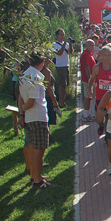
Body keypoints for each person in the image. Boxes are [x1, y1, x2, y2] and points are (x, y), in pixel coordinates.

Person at [19, 54, 54, 188]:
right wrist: (24, 107)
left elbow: (21, 97)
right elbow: (32, 101)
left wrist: (22, 111)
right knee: (40, 150)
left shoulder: (24, 75)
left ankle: (35, 175)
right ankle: (38, 181)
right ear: (42, 62)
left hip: (29, 117)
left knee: (33, 147)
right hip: (38, 116)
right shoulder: (37, 77)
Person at [87, 46, 111, 139]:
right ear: (101, 56)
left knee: (110, 118)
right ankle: (101, 125)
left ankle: (108, 135)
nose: (107, 57)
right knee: (99, 118)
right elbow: (92, 79)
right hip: (100, 97)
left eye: (109, 55)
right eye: (105, 55)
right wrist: (90, 89)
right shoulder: (97, 67)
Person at [52, 28, 71, 108]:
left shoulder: (66, 44)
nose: (62, 36)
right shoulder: (54, 45)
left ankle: (63, 101)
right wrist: (65, 44)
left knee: (65, 84)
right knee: (62, 84)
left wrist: (70, 44)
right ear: (57, 36)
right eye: (61, 35)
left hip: (66, 65)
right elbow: (59, 53)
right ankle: (61, 102)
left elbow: (70, 52)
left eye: (63, 34)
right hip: (60, 66)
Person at [80, 39, 96, 122]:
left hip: (89, 79)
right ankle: (86, 115)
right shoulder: (86, 54)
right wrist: (90, 78)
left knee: (89, 96)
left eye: (93, 45)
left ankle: (88, 113)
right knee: (87, 96)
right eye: (90, 45)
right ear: (86, 46)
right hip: (87, 79)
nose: (92, 47)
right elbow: (87, 67)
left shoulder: (89, 54)